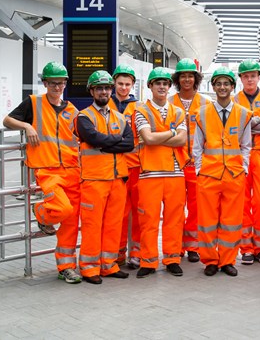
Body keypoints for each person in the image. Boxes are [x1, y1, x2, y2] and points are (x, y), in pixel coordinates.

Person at [2, 61, 82, 284]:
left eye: (61, 83)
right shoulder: (33, 103)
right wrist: (27, 126)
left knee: (71, 222)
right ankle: (41, 213)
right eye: (53, 83)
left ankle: (66, 267)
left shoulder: (72, 111)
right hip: (47, 170)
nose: (57, 87)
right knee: (62, 208)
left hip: (72, 170)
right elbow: (7, 120)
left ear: (66, 83)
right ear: (45, 83)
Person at [76, 70, 134, 284]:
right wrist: (112, 142)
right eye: (99, 88)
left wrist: (105, 143)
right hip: (94, 180)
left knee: (113, 224)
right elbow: (91, 137)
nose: (104, 91)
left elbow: (129, 144)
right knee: (92, 225)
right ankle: (90, 267)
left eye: (107, 88)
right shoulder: (83, 117)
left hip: (117, 180)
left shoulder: (120, 117)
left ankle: (109, 265)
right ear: (92, 91)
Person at [192, 67, 252, 277]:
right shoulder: (201, 114)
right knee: (207, 221)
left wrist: (244, 168)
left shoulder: (244, 114)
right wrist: (199, 169)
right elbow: (197, 147)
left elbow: (247, 145)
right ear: (213, 87)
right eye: (218, 83)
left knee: (232, 220)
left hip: (234, 175)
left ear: (233, 87)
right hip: (209, 175)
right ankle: (209, 260)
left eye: (226, 84)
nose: (222, 87)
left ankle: (227, 260)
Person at [135, 67, 188, 278]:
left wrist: (160, 137)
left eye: (165, 83)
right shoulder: (141, 111)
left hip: (176, 173)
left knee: (175, 219)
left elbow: (182, 140)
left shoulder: (178, 111)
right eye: (158, 83)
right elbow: (147, 139)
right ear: (150, 86)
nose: (162, 87)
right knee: (148, 219)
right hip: (150, 172)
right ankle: (148, 262)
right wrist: (173, 132)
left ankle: (172, 258)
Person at [234, 59, 260, 265]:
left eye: (253, 75)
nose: (249, 79)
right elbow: (234, 125)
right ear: (241, 78)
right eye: (245, 76)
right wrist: (258, 120)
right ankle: (246, 248)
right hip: (241, 155)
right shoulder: (234, 99)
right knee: (242, 202)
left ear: (259, 77)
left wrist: (248, 122)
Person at [171, 58, 209, 264]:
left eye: (190, 76)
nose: (187, 79)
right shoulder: (168, 102)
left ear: (196, 78)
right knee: (176, 207)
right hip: (174, 164)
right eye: (183, 75)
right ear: (177, 79)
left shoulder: (205, 103)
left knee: (196, 207)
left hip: (197, 164)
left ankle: (193, 245)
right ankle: (175, 246)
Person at [108, 64, 142, 270]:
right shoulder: (104, 105)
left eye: (127, 84)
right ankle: (118, 252)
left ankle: (136, 253)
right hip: (114, 168)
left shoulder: (139, 107)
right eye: (120, 83)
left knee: (138, 213)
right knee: (118, 213)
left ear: (132, 85)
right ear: (114, 83)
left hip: (137, 167)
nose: (123, 87)